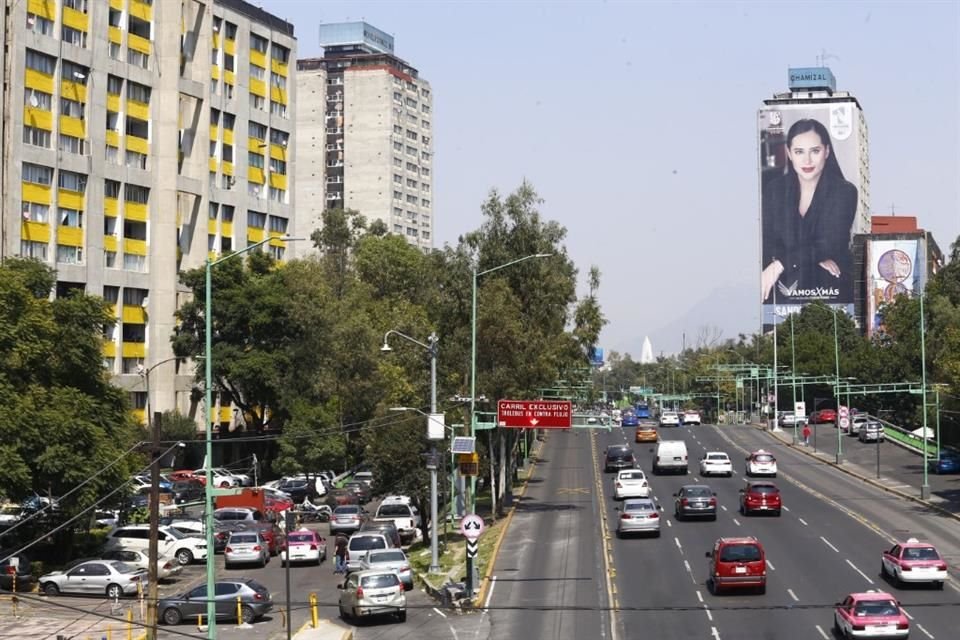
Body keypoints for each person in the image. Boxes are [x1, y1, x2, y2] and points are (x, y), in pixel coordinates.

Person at [761, 118, 858, 303]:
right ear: (789, 153)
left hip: (831, 292)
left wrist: (781, 263)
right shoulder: (775, 190)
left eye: (815, 151)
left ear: (827, 151)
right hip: (782, 292)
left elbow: (830, 243)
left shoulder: (844, 191)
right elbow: (769, 242)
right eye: (799, 152)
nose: (807, 160)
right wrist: (814, 256)